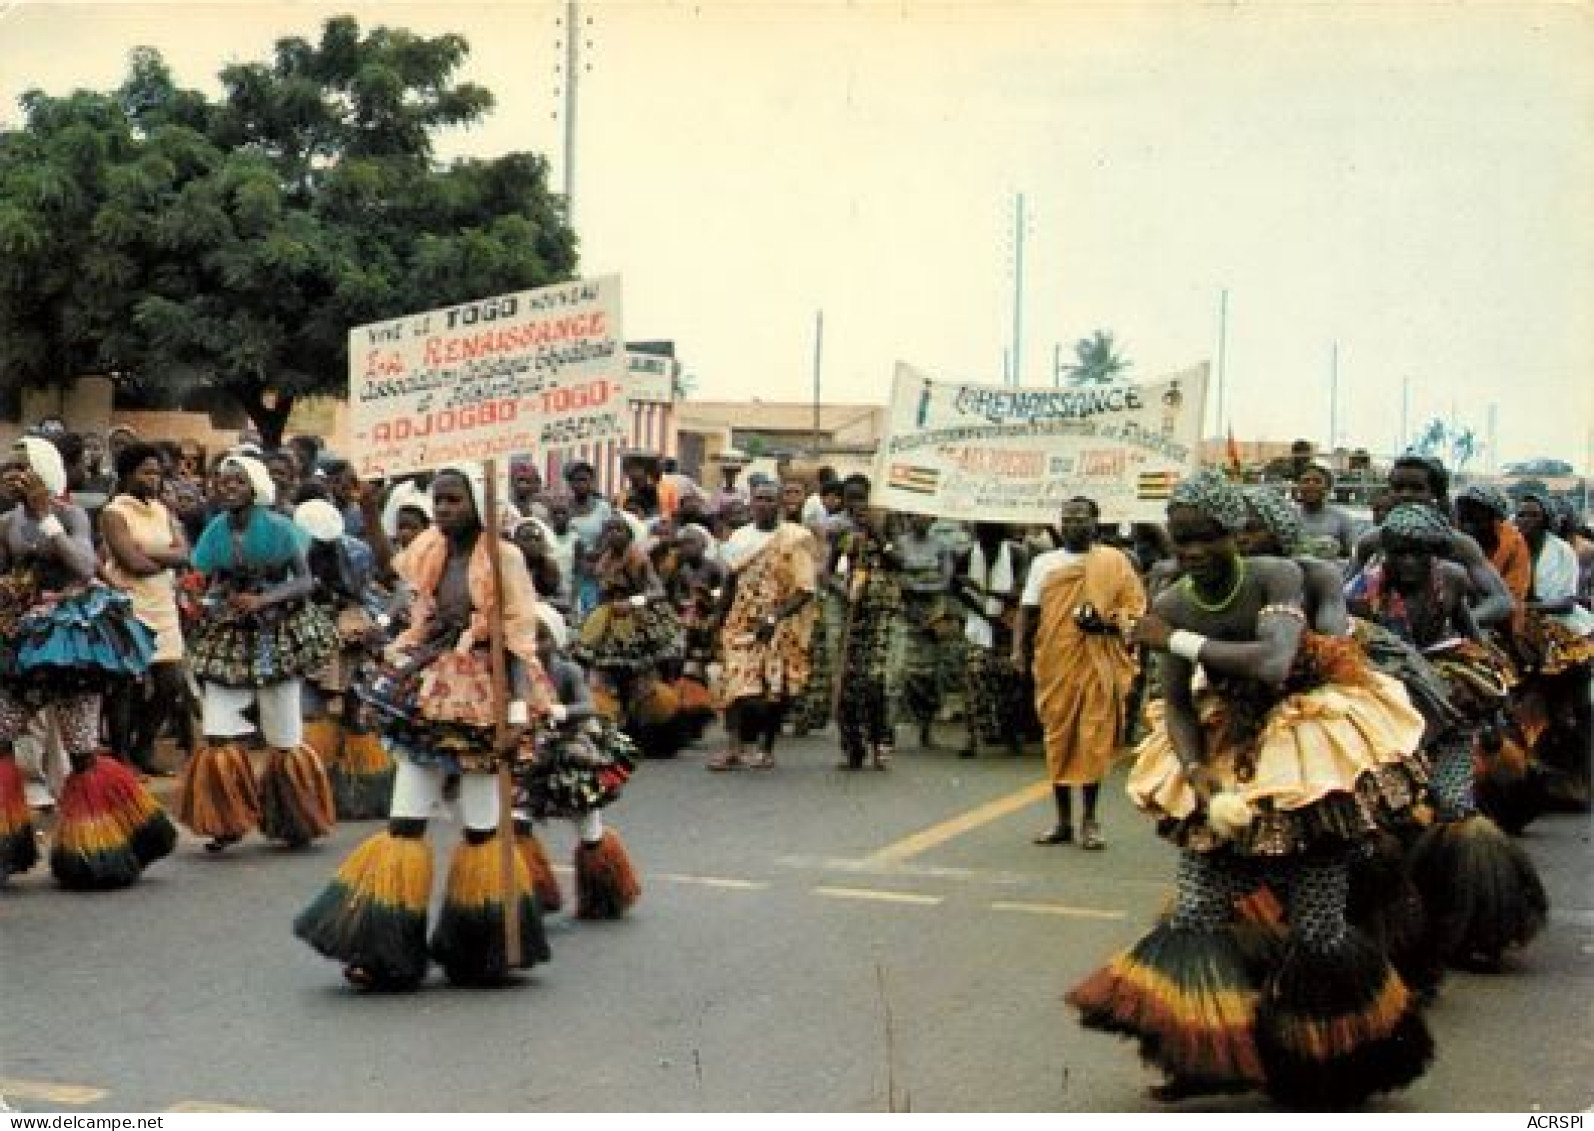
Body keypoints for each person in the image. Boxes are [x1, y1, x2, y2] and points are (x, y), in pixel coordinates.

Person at [1070, 470, 1433, 1107]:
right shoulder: (1176, 599)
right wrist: (1193, 769)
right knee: (1197, 912)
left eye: (1205, 538)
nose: (1191, 554)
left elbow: (1274, 660)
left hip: (1305, 751)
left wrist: (1176, 638)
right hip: (1228, 745)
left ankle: (1332, 1065)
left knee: (1317, 924)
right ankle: (1201, 1058)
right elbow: (1177, 703)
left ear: (1234, 533)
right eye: (1181, 541)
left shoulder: (1279, 576)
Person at [295, 464, 552, 990]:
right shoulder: (432, 547)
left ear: (477, 505)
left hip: (484, 698)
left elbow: (521, 643)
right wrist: (369, 510)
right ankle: (383, 947)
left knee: (481, 828)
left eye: (454, 500)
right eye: (439, 500)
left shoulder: (504, 558)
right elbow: (395, 571)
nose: (443, 510)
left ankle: (484, 947)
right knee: (405, 821)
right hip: (427, 687)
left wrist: (517, 718)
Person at [1348, 502, 1548, 969]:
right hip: (1385, 705)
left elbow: (1472, 630)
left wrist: (1485, 687)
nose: (1409, 564)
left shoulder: (1452, 579)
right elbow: (1337, 630)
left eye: (1420, 554)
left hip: (1443, 701)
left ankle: (1473, 922)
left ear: (1435, 553)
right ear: (1388, 553)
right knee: (1380, 814)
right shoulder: (1364, 588)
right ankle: (1389, 928)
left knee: (1454, 804)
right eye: (1400, 554)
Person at [0, 438, 175, 889]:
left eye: (23, 467)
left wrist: (46, 517)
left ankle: (105, 845)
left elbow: (83, 565)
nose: (13, 474)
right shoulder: (4, 523)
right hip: (22, 646)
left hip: (74, 645)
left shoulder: (74, 514)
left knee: (82, 753)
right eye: (8, 467)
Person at [178, 455, 338, 853]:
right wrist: (205, 597)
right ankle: (225, 818)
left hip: (274, 637)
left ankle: (293, 816)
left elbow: (304, 581)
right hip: (229, 634)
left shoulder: (281, 529)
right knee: (217, 729)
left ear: (254, 488)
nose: (227, 488)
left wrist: (265, 599)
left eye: (236, 482)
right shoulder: (215, 530)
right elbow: (208, 578)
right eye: (222, 482)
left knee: (283, 734)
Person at [1013, 498, 1144, 849]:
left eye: (1081, 519)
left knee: (1092, 739)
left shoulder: (1114, 562)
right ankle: (1062, 822)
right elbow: (1027, 612)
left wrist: (1104, 623)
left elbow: (1134, 612)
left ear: (1096, 522)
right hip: (1056, 662)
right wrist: (1017, 651)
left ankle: (1089, 820)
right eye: (1067, 520)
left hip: (1098, 662)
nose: (1074, 525)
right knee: (1058, 740)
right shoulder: (1045, 563)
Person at [514, 604, 640, 919]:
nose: (534, 644)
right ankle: (530, 890)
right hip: (529, 751)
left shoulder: (567, 671)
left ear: (555, 641)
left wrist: (562, 712)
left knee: (587, 822)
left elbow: (588, 706)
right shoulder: (516, 669)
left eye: (542, 637)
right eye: (528, 636)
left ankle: (604, 888)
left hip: (569, 750)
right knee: (518, 818)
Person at [295, 497, 394, 822]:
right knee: (313, 715)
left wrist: (369, 625)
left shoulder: (356, 552)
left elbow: (368, 592)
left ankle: (359, 793)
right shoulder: (288, 553)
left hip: (351, 637)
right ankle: (312, 796)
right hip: (307, 639)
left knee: (353, 713)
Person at [707, 481, 817, 771]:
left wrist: (775, 617)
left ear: (779, 504)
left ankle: (765, 748)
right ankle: (733, 748)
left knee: (770, 690)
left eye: (770, 499)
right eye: (758, 499)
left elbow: (805, 590)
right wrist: (717, 619)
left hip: (777, 624)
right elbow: (730, 581)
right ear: (751, 504)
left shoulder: (794, 539)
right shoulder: (740, 538)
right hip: (740, 621)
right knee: (733, 684)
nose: (763, 505)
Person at [100, 442, 194, 777]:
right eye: (146, 472)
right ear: (128, 474)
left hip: (162, 604)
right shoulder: (114, 513)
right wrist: (163, 556)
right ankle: (122, 754)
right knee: (125, 686)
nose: (153, 479)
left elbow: (185, 553)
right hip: (129, 605)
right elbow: (131, 563)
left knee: (170, 681)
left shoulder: (162, 510)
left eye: (157, 472)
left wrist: (150, 554)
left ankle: (145, 744)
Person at [574, 515, 689, 756]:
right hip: (607, 623)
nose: (614, 534)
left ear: (629, 533)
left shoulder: (638, 557)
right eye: (609, 529)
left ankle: (650, 735)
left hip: (637, 625)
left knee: (641, 682)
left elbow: (658, 591)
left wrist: (634, 602)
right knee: (604, 680)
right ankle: (612, 735)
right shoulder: (605, 559)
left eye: (619, 529)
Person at [830, 474, 903, 770]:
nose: (857, 505)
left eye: (862, 498)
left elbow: (899, 561)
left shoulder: (886, 524)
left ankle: (879, 744)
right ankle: (853, 749)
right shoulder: (842, 532)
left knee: (875, 682)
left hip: (881, 615)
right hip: (852, 615)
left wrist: (877, 534)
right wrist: (842, 590)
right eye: (851, 498)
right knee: (849, 682)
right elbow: (827, 570)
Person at [954, 522, 1031, 758]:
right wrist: (981, 610)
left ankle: (1011, 736)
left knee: (1010, 682)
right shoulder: (967, 554)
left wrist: (987, 594)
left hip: (1008, 625)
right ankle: (973, 737)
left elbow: (1021, 592)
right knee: (974, 677)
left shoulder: (1017, 554)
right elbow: (956, 587)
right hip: (979, 626)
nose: (987, 544)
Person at [893, 512, 957, 750]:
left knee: (930, 673)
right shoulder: (900, 543)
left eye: (925, 517)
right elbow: (896, 576)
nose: (921, 521)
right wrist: (909, 587)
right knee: (901, 670)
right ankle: (892, 728)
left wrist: (918, 585)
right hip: (905, 611)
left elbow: (946, 581)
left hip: (932, 613)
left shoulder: (941, 546)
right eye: (916, 517)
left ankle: (926, 729)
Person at [563, 461, 613, 618]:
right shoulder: (564, 509)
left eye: (584, 480)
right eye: (575, 480)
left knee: (594, 611)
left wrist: (596, 557)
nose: (580, 484)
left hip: (597, 566)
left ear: (591, 482)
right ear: (570, 483)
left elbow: (608, 536)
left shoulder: (603, 508)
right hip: (571, 567)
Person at [1293, 463, 1360, 559]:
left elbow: (1353, 553)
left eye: (1317, 481)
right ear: (1299, 487)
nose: (1311, 485)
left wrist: (1334, 549)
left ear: (1328, 488)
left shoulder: (1342, 518)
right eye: (1306, 481)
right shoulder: (1288, 516)